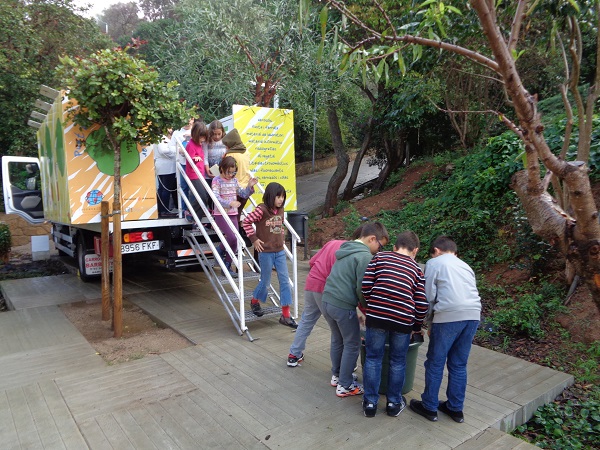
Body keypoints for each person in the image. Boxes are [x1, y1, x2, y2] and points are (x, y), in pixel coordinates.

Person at [410, 236, 481, 424]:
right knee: (458, 364)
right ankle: (455, 409)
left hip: (448, 316)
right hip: (473, 315)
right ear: (454, 252)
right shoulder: (466, 266)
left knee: (435, 362)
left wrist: (428, 323)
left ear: (436, 250)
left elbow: (428, 297)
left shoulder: (434, 263)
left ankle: (429, 407)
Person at [361, 231, 428, 418]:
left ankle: (370, 404)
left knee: (373, 358)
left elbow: (365, 286)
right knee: (398, 362)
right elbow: (422, 304)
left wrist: (375, 304)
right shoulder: (416, 269)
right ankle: (393, 403)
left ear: (394, 247)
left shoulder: (379, 258)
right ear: (415, 250)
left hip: (376, 316)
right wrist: (416, 326)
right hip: (403, 320)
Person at [321, 222, 389, 398]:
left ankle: (337, 375)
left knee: (338, 339)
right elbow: (362, 288)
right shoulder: (364, 256)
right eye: (380, 246)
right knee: (353, 343)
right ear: (372, 239)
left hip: (327, 300)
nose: (379, 251)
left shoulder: (346, 250)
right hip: (343, 305)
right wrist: (367, 309)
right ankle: (345, 385)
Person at [287, 224, 367, 368]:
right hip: (326, 290)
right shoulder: (352, 253)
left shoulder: (332, 243)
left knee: (307, 319)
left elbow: (312, 261)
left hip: (311, 282)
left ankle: (294, 354)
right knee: (338, 329)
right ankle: (345, 365)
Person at [242, 182, 297, 328]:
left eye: (283, 197)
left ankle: (286, 315)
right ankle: (255, 301)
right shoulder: (262, 210)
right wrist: (254, 239)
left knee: (285, 281)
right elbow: (246, 222)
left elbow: (280, 225)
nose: (281, 200)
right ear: (270, 196)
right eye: (278, 197)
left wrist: (282, 238)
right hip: (265, 252)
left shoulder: (281, 210)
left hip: (279, 251)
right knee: (266, 281)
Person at [211, 156, 257, 277]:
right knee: (231, 237)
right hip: (221, 214)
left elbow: (243, 194)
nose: (230, 175)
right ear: (222, 168)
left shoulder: (234, 180)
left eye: (233, 172)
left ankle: (227, 265)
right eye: (228, 172)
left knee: (235, 240)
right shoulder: (216, 180)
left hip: (233, 214)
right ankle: (219, 250)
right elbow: (216, 197)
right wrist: (230, 203)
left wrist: (250, 186)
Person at [184, 121, 209, 226]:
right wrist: (195, 158)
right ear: (195, 135)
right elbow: (189, 159)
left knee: (206, 198)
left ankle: (197, 221)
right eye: (201, 137)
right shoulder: (191, 145)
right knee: (202, 197)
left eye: (204, 137)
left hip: (200, 174)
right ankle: (189, 211)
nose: (202, 139)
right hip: (194, 175)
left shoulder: (200, 145)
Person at [222, 128, 252, 215]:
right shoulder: (246, 152)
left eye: (227, 145)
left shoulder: (230, 155)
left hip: (234, 189)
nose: (226, 147)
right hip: (245, 188)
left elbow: (224, 172)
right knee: (237, 214)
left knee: (230, 215)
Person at [169, 117, 195, 212]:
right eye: (185, 119)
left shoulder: (196, 130)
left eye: (189, 119)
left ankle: (195, 209)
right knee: (183, 186)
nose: (187, 122)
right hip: (182, 163)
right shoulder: (177, 132)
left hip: (195, 164)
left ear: (192, 119)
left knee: (194, 187)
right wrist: (179, 150)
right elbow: (171, 147)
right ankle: (184, 210)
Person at [153, 130, 177, 216]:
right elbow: (163, 151)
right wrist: (175, 154)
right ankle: (164, 210)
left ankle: (162, 209)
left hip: (164, 165)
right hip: (166, 166)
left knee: (162, 188)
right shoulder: (162, 138)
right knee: (165, 189)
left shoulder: (163, 138)